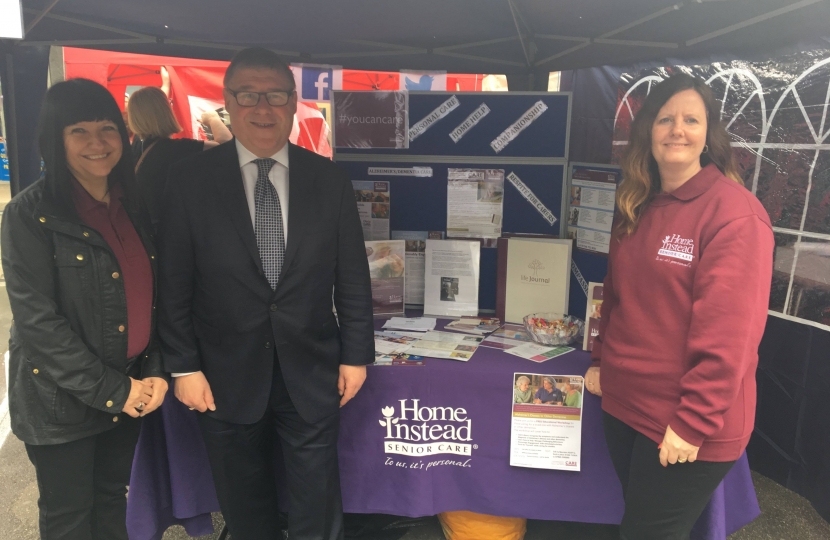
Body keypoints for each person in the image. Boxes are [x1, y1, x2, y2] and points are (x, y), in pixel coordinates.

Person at [157, 48, 373, 540]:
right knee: (243, 506)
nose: (262, 108)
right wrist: (184, 367)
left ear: (293, 102)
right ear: (227, 103)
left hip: (312, 370)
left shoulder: (329, 180)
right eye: (248, 95)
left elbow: (354, 278)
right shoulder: (188, 182)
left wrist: (356, 356)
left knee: (316, 505)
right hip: (221, 374)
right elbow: (173, 283)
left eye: (275, 95)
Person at [584, 73, 774, 540]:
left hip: (685, 418)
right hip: (625, 403)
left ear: (709, 134)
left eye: (691, 119)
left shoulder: (734, 215)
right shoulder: (638, 204)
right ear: (648, 131)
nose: (677, 129)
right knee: (641, 522)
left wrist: (692, 423)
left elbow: (731, 337)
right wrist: (601, 361)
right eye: (666, 118)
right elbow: (617, 297)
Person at [1, 78, 168, 540]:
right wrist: (115, 390)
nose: (97, 143)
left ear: (124, 134)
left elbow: (152, 297)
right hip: (63, 403)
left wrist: (153, 369)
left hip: (129, 386)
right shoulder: (29, 215)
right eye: (79, 131)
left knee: (113, 500)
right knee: (71, 517)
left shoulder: (132, 205)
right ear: (55, 141)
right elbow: (40, 325)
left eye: (107, 128)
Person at [127, 86, 232, 230]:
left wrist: (166, 83)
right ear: (166, 112)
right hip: (168, 234)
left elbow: (149, 108)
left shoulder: (138, 143)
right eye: (169, 104)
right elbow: (226, 146)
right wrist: (213, 119)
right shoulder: (173, 150)